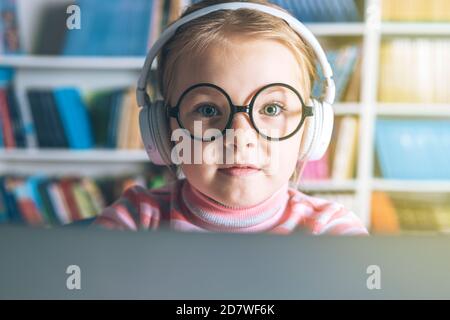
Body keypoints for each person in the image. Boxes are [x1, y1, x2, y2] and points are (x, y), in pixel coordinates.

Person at [94, 0, 368, 235]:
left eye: (271, 109)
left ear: (310, 130)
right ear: (165, 129)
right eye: (209, 110)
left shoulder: (331, 232)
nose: (240, 139)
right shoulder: (134, 222)